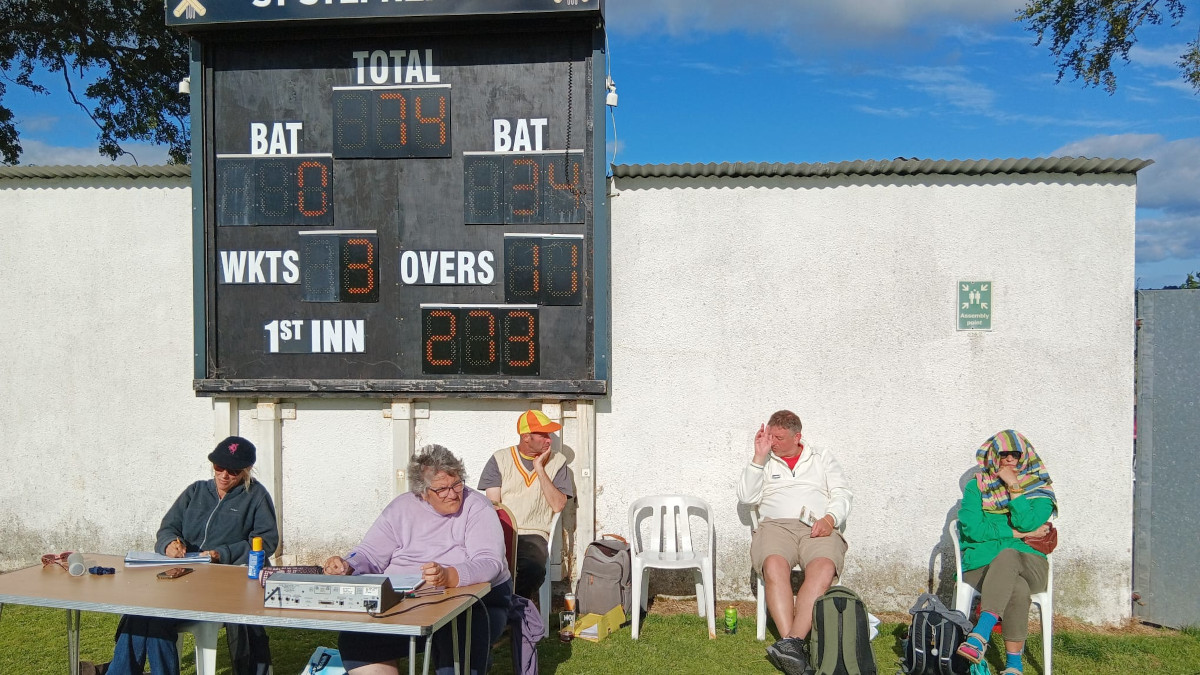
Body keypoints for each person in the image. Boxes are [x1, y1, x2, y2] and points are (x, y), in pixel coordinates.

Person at [325, 444, 511, 675]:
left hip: (471, 603)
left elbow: (489, 563)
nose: (453, 494)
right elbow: (370, 553)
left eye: (457, 484)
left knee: (456, 639)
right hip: (406, 600)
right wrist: (348, 565)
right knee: (356, 640)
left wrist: (449, 576)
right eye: (441, 489)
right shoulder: (401, 508)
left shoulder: (477, 507)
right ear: (422, 492)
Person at [99, 436, 278, 675]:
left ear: (246, 471)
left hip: (222, 583)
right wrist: (169, 544)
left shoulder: (256, 496)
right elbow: (167, 527)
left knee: (156, 617)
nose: (224, 475)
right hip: (180, 575)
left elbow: (266, 541)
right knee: (140, 611)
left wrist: (221, 554)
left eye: (233, 471)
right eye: (219, 467)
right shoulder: (195, 491)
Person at [736, 410, 853, 675]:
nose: (773, 442)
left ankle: (789, 644)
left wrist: (831, 518)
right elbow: (746, 497)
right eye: (770, 436)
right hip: (775, 526)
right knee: (774, 565)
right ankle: (794, 644)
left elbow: (842, 492)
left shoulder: (821, 457)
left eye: (779, 437)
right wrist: (758, 457)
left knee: (823, 568)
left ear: (797, 436)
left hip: (818, 526)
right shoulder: (765, 461)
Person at [955, 430, 1057, 675]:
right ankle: (1014, 666)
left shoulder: (1041, 490)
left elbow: (1025, 521)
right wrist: (1018, 535)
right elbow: (973, 529)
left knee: (1009, 555)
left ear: (1025, 457)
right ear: (993, 456)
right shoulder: (976, 487)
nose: (1010, 459)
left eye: (1016, 454)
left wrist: (1014, 487)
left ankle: (980, 634)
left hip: (1031, 566)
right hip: (980, 566)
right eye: (1004, 454)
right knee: (1017, 587)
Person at [477, 410, 572, 600]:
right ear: (526, 437)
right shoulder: (500, 459)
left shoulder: (558, 462)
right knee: (482, 564)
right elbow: (494, 505)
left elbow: (558, 505)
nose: (549, 440)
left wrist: (540, 469)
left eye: (549, 435)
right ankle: (496, 610)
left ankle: (513, 609)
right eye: (543, 435)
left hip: (534, 533)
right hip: (503, 530)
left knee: (533, 568)